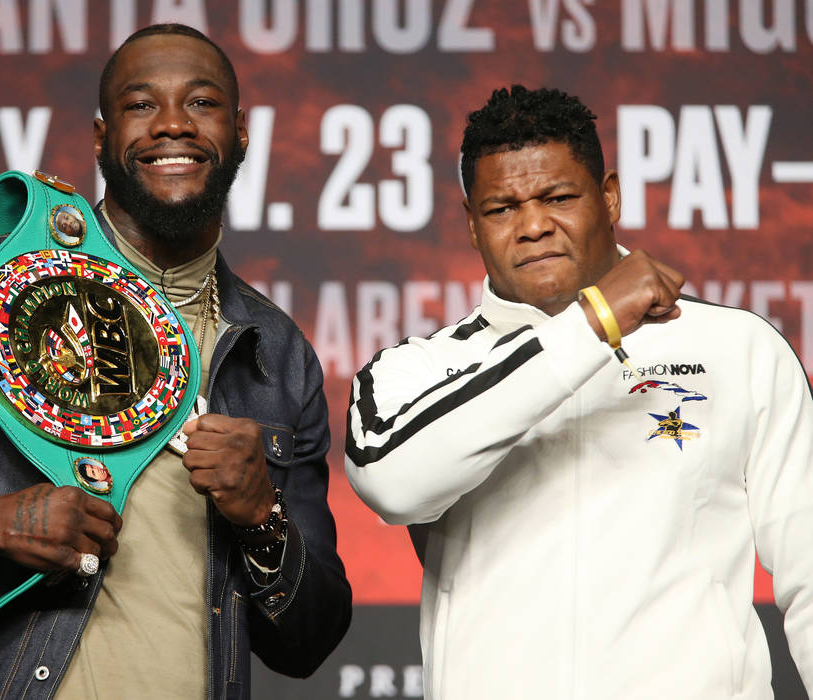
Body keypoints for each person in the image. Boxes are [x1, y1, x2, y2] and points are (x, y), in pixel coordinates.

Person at [0, 23, 351, 699]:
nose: (171, 126)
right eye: (140, 105)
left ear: (241, 132)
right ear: (103, 138)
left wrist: (261, 517)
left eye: (201, 103)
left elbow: (310, 642)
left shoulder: (276, 356)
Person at [345, 85, 813, 699]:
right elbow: (391, 482)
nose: (534, 226)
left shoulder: (737, 348)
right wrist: (595, 324)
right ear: (471, 225)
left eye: (558, 197)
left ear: (609, 196)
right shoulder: (420, 370)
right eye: (501, 208)